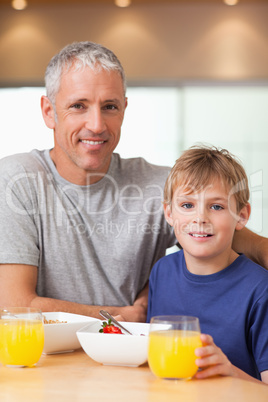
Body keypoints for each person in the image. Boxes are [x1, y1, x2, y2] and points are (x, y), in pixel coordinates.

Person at [0, 42, 267, 322]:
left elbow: (226, 232)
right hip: (43, 361)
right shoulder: (17, 181)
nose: (96, 125)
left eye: (110, 106)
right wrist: (126, 315)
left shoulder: (159, 184)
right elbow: (15, 304)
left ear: (124, 109)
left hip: (133, 360)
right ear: (49, 111)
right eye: (78, 106)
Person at [146, 145, 268, 384]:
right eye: (187, 205)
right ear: (169, 213)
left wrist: (231, 373)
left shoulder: (260, 290)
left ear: (241, 216)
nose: (200, 218)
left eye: (216, 206)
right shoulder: (162, 272)